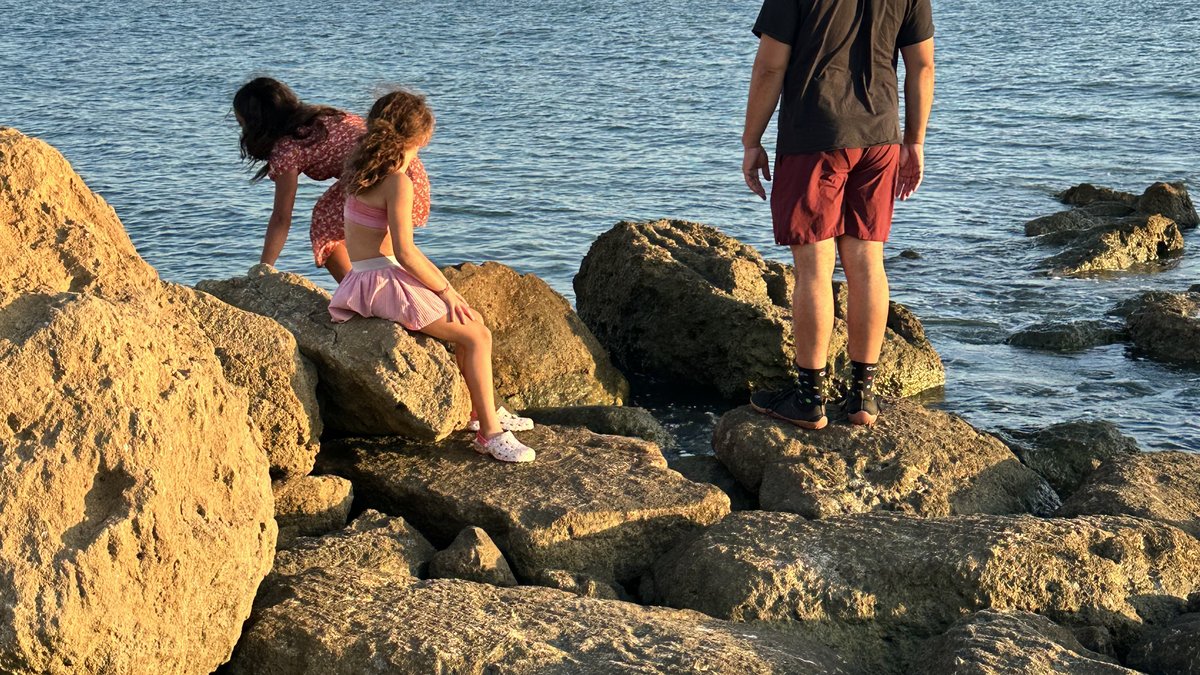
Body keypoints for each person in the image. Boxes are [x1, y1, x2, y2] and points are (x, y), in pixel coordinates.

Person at [742, 0, 935, 429]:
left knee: (813, 268)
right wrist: (914, 141)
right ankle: (862, 396)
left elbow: (771, 68)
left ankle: (810, 398)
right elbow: (921, 66)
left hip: (815, 135)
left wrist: (751, 141)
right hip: (880, 137)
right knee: (868, 262)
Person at [330, 90, 537, 463]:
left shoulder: (361, 172)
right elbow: (406, 252)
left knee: (475, 325)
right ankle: (489, 434)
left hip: (363, 277)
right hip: (382, 280)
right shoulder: (397, 181)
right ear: (421, 138)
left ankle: (481, 411)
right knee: (474, 333)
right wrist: (446, 290)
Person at [232, 77, 431, 281]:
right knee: (372, 236)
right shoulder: (324, 115)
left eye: (242, 124)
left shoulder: (287, 149)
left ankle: (354, 290)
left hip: (382, 177)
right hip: (410, 172)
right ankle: (384, 286)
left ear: (257, 124)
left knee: (324, 226)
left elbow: (282, 217)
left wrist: (263, 269)